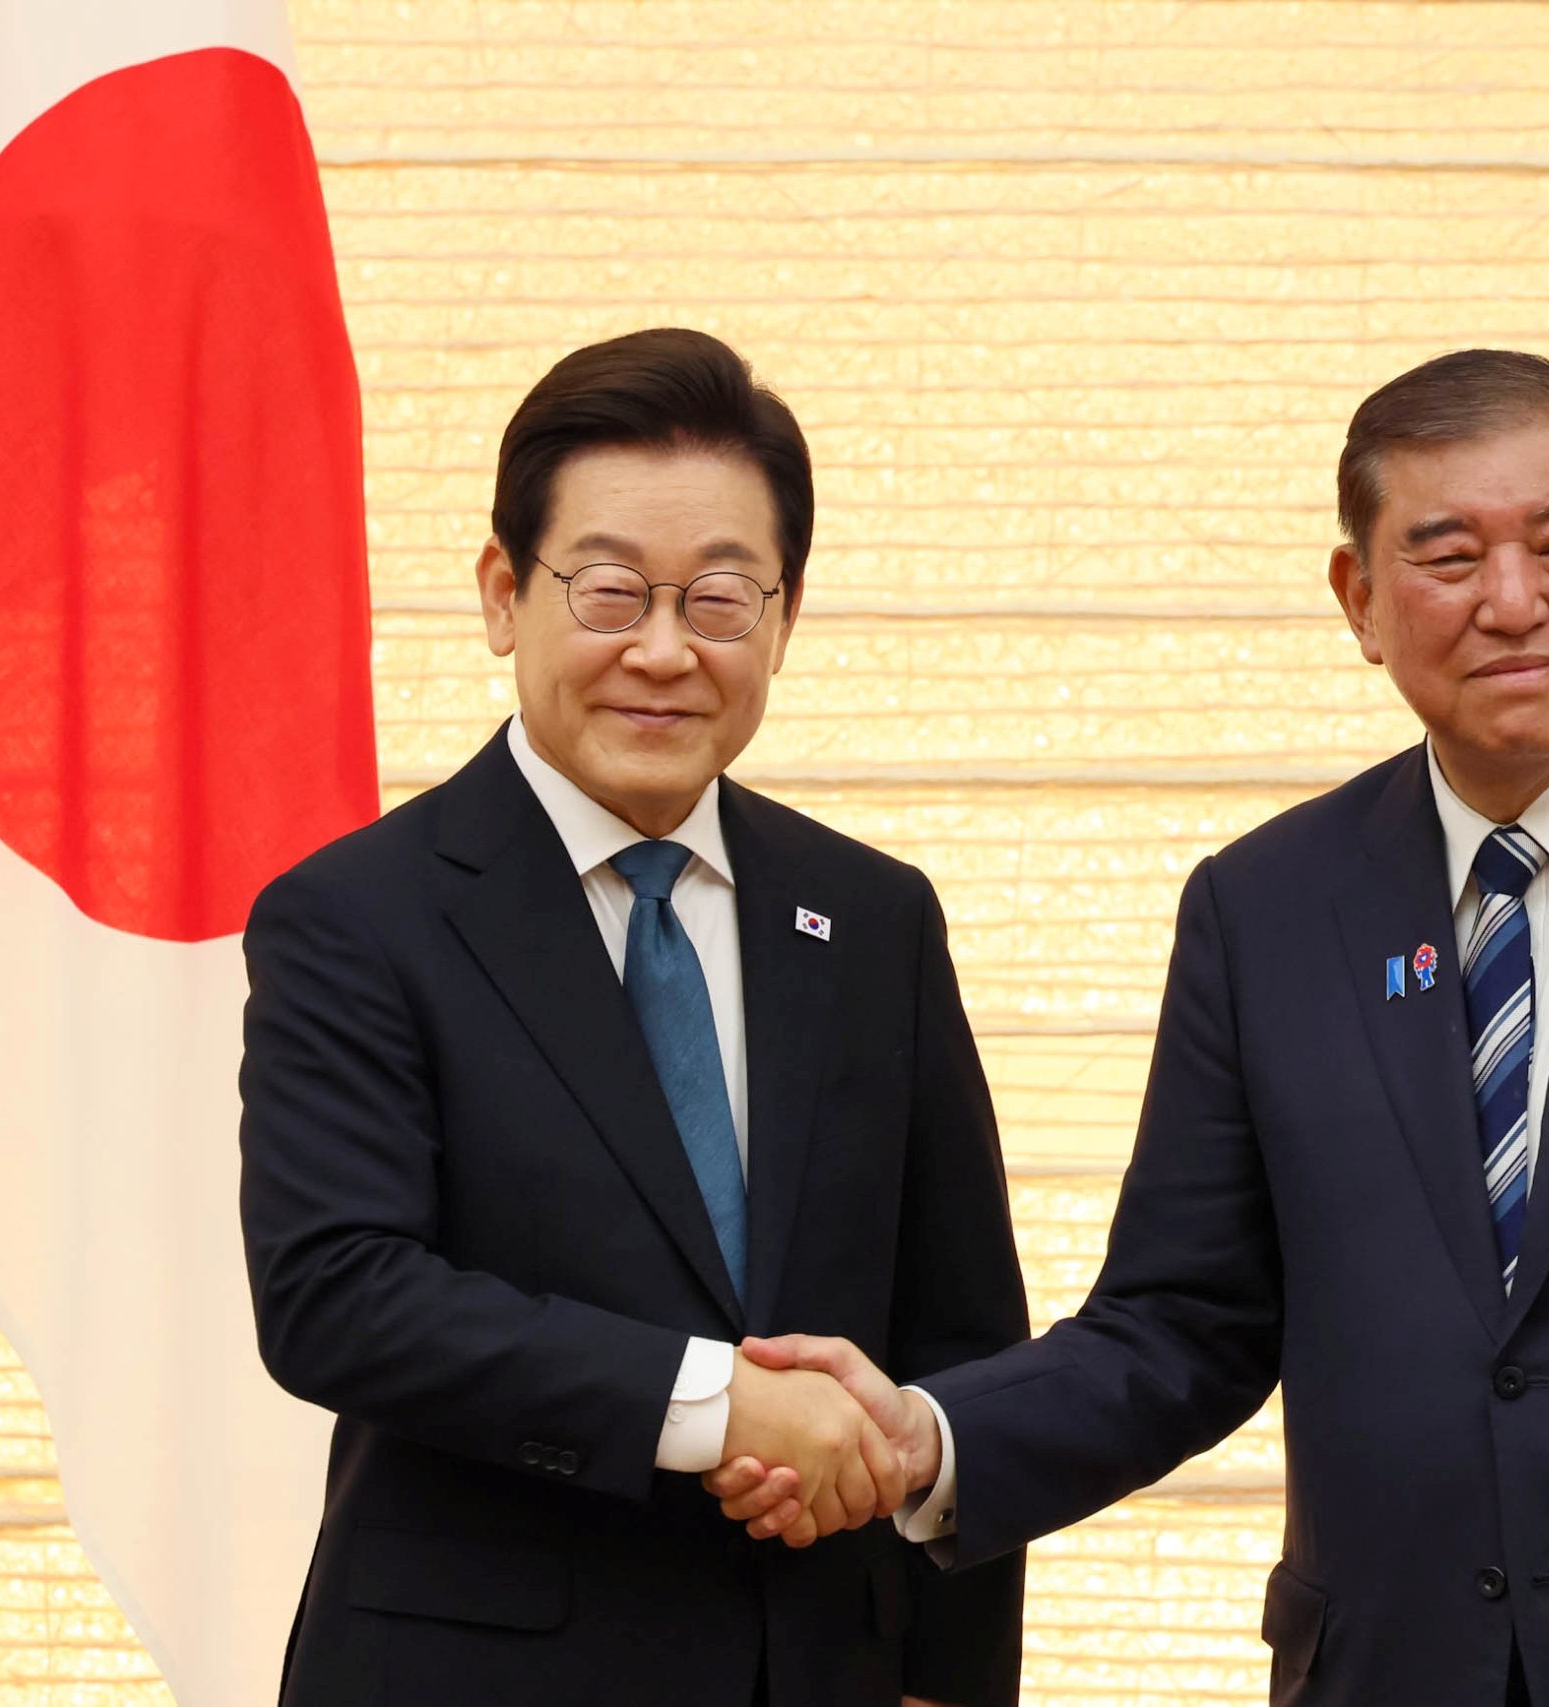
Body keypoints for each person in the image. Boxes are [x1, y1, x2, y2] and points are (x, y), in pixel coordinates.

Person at [712, 350, 1549, 1706]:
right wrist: (931, 1435)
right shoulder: (1267, 909)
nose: (1514, 601)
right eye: (1447, 556)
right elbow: (1182, 1323)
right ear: (1358, 599)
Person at [239, 328, 1028, 1707]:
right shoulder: (356, 916)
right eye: (608, 592)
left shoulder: (873, 918)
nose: (663, 652)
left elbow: (962, 1339)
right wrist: (713, 1406)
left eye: (719, 600)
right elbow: (339, 1297)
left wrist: (950, 1683)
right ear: (504, 596)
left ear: (784, 616)